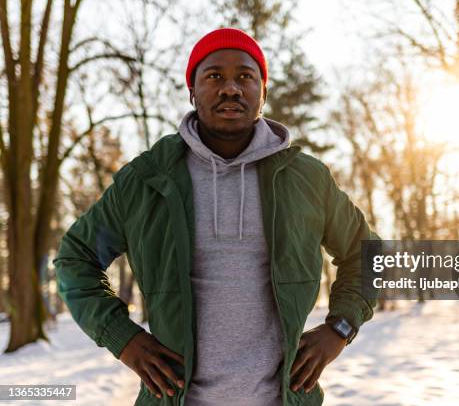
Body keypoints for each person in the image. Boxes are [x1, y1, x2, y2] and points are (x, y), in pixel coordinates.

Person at [54, 27, 378, 406]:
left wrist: (340, 328)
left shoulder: (306, 179)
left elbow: (367, 254)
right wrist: (122, 337)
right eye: (214, 76)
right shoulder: (145, 180)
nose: (230, 88)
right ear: (192, 91)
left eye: (245, 76)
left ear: (263, 92)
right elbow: (75, 259)